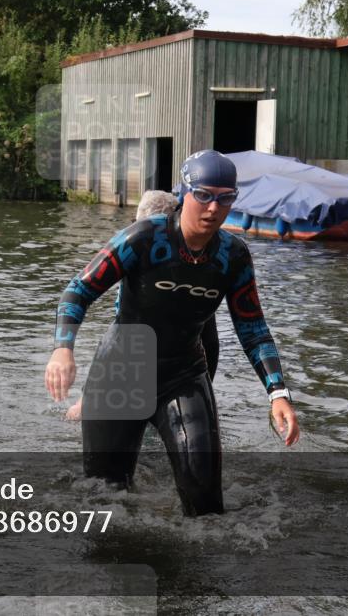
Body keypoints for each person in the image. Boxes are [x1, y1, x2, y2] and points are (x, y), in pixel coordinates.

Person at [44, 150, 299, 517]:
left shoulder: (234, 256)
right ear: (185, 195)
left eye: (226, 198)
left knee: (207, 508)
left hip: (183, 373)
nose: (214, 208)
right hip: (122, 369)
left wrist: (278, 394)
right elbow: (77, 291)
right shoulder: (142, 239)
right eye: (205, 195)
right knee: (104, 499)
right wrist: (62, 350)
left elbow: (253, 327)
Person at [64, 190, 221, 422]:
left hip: (173, 362)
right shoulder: (193, 257)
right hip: (183, 361)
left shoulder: (143, 251)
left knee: (79, 416)